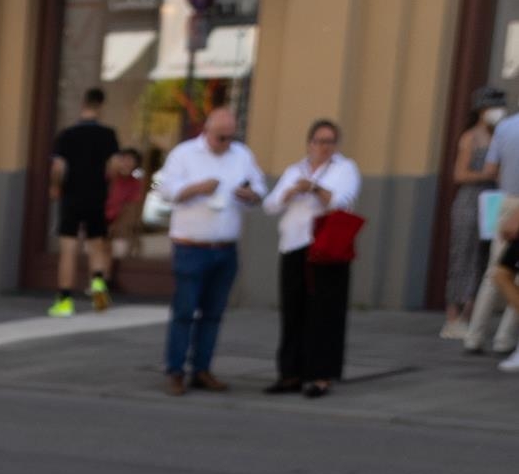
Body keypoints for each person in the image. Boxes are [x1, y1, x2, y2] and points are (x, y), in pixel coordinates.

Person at [152, 102, 265, 392]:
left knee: (213, 313)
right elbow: (164, 190)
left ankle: (202, 369)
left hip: (225, 247)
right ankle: (175, 370)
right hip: (191, 246)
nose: (226, 143)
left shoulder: (242, 155)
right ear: (207, 130)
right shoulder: (185, 153)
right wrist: (195, 189)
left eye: (230, 137)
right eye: (220, 137)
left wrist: (250, 195)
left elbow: (260, 189)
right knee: (185, 311)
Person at [263, 118, 362, 397]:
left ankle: (321, 375)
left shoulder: (345, 168)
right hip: (294, 245)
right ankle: (290, 373)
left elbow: (341, 200)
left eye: (329, 142)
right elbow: (270, 205)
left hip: (326, 248)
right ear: (310, 144)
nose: (324, 147)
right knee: (293, 310)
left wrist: (315, 189)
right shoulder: (295, 169)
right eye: (319, 141)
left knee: (325, 312)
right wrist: (291, 191)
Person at [47, 85, 120, 314]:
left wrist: (55, 187)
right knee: (96, 244)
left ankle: (64, 300)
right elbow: (115, 166)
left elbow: (58, 167)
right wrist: (108, 182)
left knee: (69, 247)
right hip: (97, 194)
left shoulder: (67, 135)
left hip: (72, 195)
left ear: (83, 105)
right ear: (101, 107)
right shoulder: (108, 135)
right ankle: (98, 288)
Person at [462, 90, 519, 353]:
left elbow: (491, 170)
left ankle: (474, 337)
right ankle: (504, 340)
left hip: (504, 201)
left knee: (493, 273)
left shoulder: (505, 128)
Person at [444, 89, 502, 337]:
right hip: (470, 200)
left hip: (493, 200)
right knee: (463, 255)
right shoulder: (470, 137)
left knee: (483, 257)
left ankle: (471, 315)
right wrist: (485, 175)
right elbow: (459, 174)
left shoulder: (500, 135)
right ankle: (453, 317)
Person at [104, 138, 149, 285]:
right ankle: (103, 280)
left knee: (118, 248)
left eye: (130, 161)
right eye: (123, 160)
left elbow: (132, 209)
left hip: (120, 226)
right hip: (101, 221)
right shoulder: (106, 179)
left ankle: (107, 279)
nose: (126, 164)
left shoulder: (136, 184)